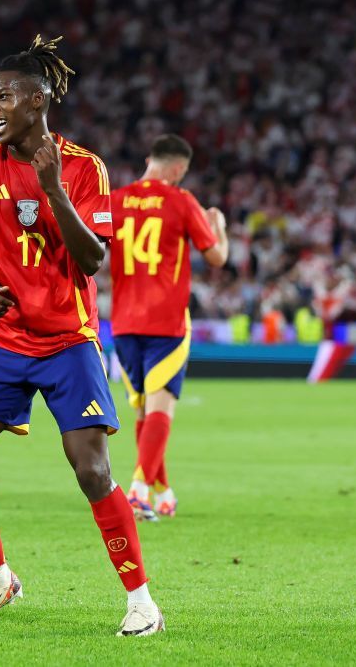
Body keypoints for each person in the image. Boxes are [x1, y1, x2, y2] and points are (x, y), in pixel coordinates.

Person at [0, 35, 163, 635]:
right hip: (2, 337)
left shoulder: (85, 167)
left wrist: (54, 188)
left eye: (4, 95)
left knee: (91, 471)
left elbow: (92, 260)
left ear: (37, 100)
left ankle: (141, 600)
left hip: (67, 339)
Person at [109, 134, 228, 520]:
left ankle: (162, 490)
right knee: (161, 410)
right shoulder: (181, 201)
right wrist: (219, 226)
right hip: (168, 321)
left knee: (144, 412)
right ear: (179, 168)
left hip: (124, 322)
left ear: (150, 159)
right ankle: (138, 491)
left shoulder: (115, 201)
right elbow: (216, 257)